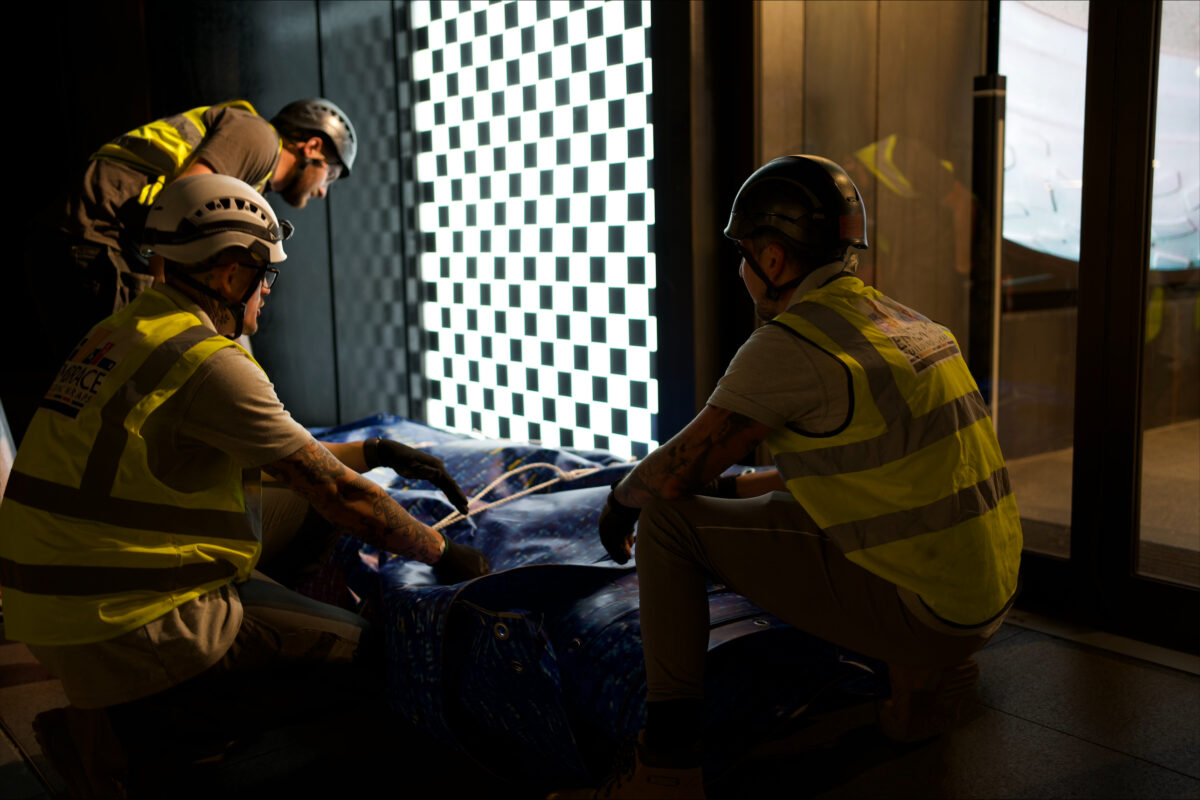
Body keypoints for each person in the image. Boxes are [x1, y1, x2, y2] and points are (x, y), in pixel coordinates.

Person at [0, 174, 489, 795]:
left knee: (300, 513)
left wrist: (371, 450)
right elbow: (340, 497)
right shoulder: (209, 362)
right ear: (232, 274)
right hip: (125, 622)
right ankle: (145, 736)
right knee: (369, 659)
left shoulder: (123, 329)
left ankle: (148, 698)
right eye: (267, 276)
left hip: (52, 603)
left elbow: (275, 459)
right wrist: (446, 553)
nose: (267, 292)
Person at [552, 155, 1022, 799]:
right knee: (810, 512)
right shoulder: (908, 324)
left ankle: (665, 767)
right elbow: (854, 479)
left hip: (924, 610)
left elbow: (674, 474)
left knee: (665, 524)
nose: (742, 270)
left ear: (772, 259)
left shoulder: (797, 342)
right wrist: (730, 491)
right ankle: (918, 679)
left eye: (744, 254)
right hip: (983, 595)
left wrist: (620, 499)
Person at [4, 97, 357, 445]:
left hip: (75, 240)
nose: (323, 191)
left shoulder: (252, 173)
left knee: (86, 397)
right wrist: (169, 304)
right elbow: (180, 201)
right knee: (118, 399)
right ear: (313, 146)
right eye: (332, 173)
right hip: (95, 245)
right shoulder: (258, 137)